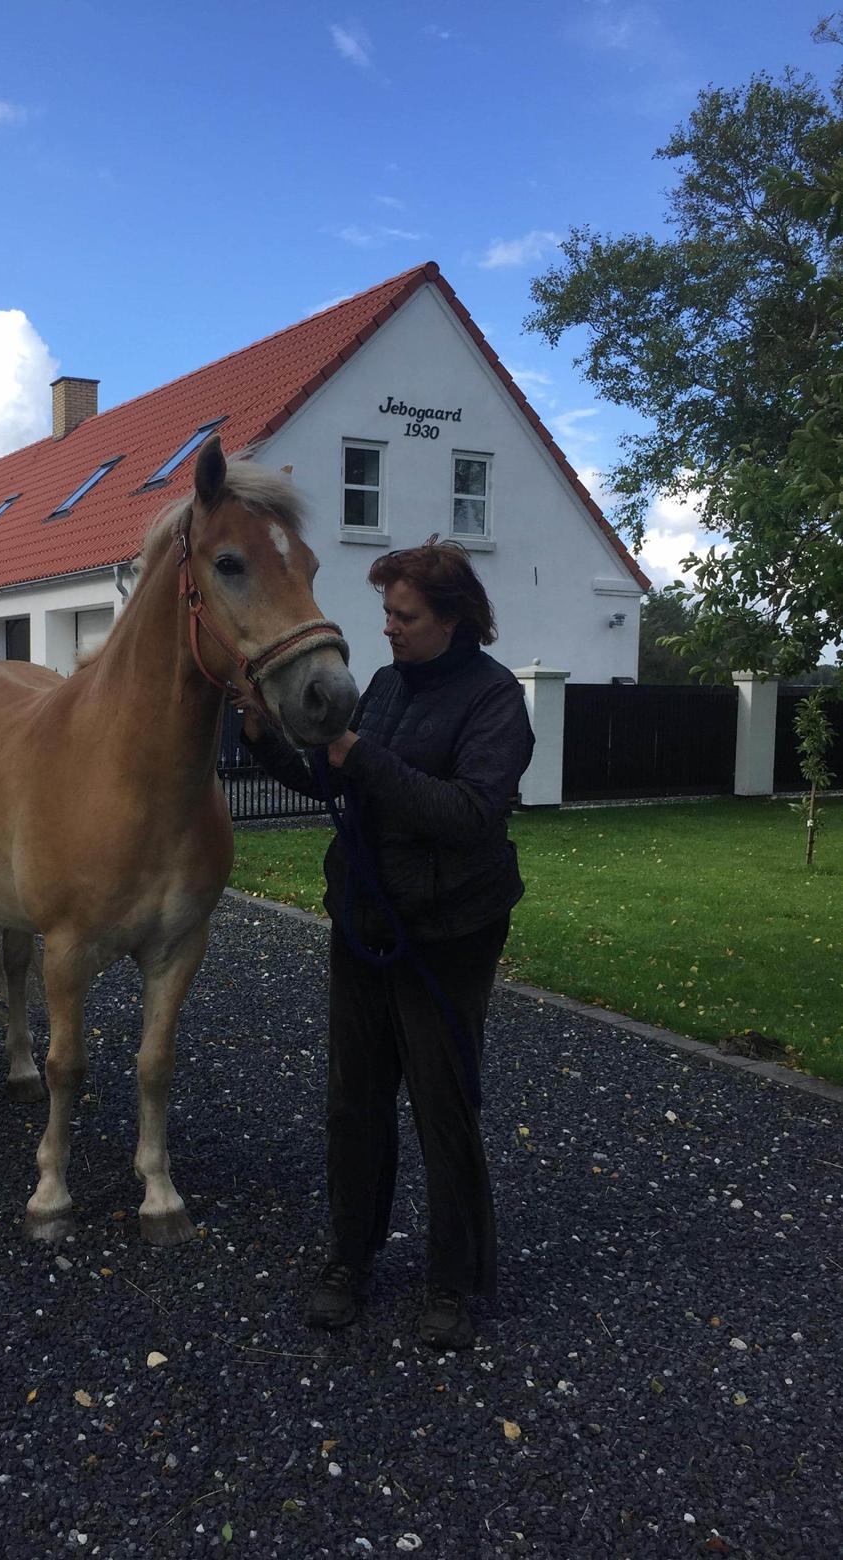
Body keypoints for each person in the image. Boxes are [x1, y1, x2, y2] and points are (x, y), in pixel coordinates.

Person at [242, 535, 534, 1350]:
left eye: (403, 615)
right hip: (364, 925)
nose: (390, 628)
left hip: (446, 936)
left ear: (451, 617)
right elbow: (335, 782)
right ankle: (350, 1259)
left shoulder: (495, 701)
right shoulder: (384, 685)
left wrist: (360, 756)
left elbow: (469, 815)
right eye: (386, 613)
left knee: (444, 1108)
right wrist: (269, 740)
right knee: (353, 1104)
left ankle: (452, 1281)